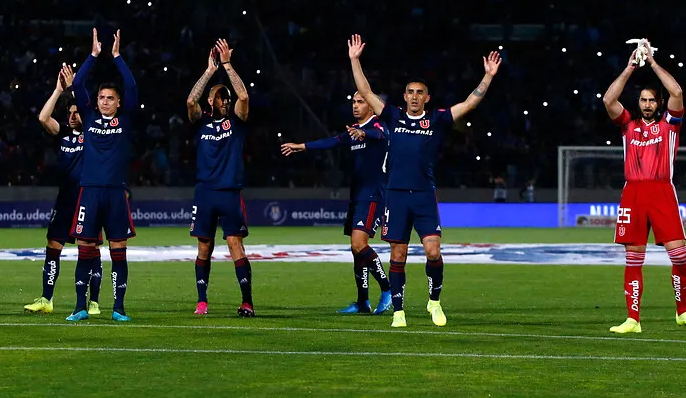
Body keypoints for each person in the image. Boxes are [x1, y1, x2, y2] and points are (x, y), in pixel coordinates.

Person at [347, 34, 500, 328]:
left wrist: (488, 76)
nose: (415, 96)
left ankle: (434, 302)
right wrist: (355, 59)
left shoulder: (437, 120)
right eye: (410, 92)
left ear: (427, 98)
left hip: (424, 195)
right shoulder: (392, 116)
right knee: (398, 253)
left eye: (420, 93)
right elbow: (365, 91)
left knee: (433, 251)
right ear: (404, 97)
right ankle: (399, 312)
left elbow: (470, 103)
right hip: (395, 195)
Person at [601, 42, 686, 333]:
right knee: (633, 259)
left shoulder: (669, 124)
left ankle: (683, 312)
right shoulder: (628, 125)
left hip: (662, 192)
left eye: (651, 100)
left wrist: (652, 62)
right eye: (643, 100)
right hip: (633, 194)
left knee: (679, 256)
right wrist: (630, 67)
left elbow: (677, 92)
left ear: (658, 104)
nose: (647, 104)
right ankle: (632, 319)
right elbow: (608, 100)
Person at [280, 92, 392, 314]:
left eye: (360, 102)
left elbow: (380, 135)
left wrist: (364, 133)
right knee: (356, 249)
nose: (355, 106)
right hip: (357, 195)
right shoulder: (353, 131)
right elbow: (331, 142)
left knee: (359, 245)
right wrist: (301, 146)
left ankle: (388, 289)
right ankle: (363, 302)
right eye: (354, 102)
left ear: (371, 106)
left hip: (373, 194)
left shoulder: (378, 124)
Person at [67, 29, 138, 322]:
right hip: (90, 191)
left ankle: (118, 308)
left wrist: (118, 57)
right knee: (85, 247)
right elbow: (77, 83)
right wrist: (93, 55)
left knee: (118, 248)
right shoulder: (89, 118)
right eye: (101, 97)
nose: (105, 101)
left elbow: (131, 86)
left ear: (119, 102)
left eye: (110, 98)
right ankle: (79, 306)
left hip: (116, 192)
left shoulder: (126, 119)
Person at [24, 64, 102, 315]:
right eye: (70, 113)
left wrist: (75, 88)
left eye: (77, 112)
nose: (73, 116)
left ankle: (93, 301)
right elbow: (42, 118)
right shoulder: (63, 135)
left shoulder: (94, 134)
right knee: (53, 245)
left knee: (90, 249)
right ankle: (46, 299)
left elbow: (90, 114)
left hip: (87, 199)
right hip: (65, 199)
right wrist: (59, 90)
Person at [185, 39, 253, 317]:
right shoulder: (201, 122)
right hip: (205, 193)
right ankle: (202, 301)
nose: (225, 100)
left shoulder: (235, 121)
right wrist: (209, 72)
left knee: (235, 244)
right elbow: (191, 101)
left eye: (226, 97)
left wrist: (227, 65)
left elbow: (244, 97)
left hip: (229, 192)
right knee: (204, 247)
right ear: (210, 101)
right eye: (220, 97)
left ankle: (247, 302)